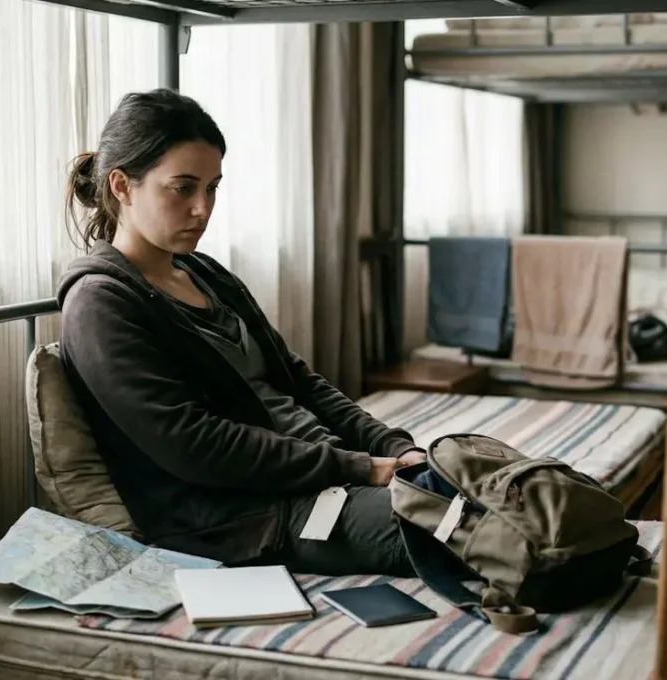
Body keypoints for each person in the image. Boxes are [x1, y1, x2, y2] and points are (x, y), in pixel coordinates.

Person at [56, 88, 425, 577]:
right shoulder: (100, 303)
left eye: (212, 188)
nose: (202, 208)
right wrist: (359, 468)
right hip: (249, 514)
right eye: (183, 187)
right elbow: (193, 444)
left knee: (502, 494)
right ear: (122, 186)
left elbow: (298, 381)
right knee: (470, 530)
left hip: (325, 471)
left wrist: (393, 447)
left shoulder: (204, 272)